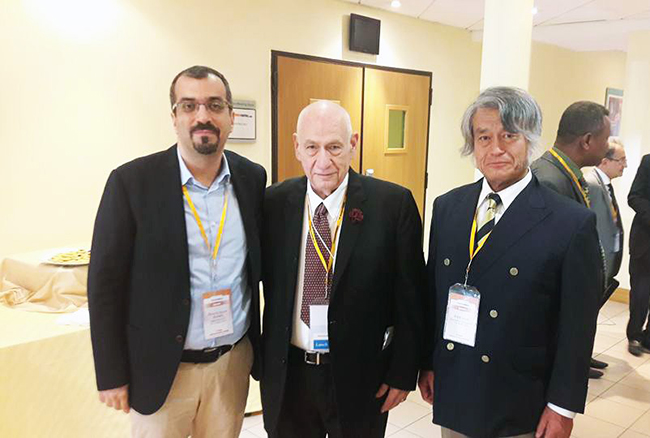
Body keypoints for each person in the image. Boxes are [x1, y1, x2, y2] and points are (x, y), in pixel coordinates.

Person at [87, 65, 266, 437]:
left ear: (231, 117)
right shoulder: (131, 183)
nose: (202, 116)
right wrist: (111, 373)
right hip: (161, 370)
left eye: (214, 105)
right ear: (174, 117)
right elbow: (104, 285)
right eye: (189, 106)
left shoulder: (252, 177)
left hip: (230, 366)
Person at [419, 87, 602, 438]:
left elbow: (577, 327)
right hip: (456, 385)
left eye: (509, 136)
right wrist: (429, 362)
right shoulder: (448, 207)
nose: (496, 149)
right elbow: (434, 295)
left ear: (530, 140)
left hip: (519, 398)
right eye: (484, 137)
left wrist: (562, 406)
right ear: (472, 145)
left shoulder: (570, 222)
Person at [260, 100, 426, 438]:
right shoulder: (273, 203)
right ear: (297, 147)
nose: (323, 161)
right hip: (289, 376)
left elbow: (411, 298)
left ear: (353, 144)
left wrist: (402, 372)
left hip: (360, 378)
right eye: (312, 147)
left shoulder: (392, 206)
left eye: (334, 147)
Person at [531, 100, 611, 378]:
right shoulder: (549, 180)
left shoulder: (566, 174)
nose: (607, 147)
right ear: (587, 141)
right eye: (605, 139)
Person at [585, 138, 626, 303]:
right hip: (594, 263)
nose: (625, 165)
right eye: (621, 160)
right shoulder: (591, 184)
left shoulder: (605, 184)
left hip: (606, 263)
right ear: (605, 161)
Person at [627, 153, 650, 356]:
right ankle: (634, 335)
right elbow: (634, 197)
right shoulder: (648, 162)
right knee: (640, 294)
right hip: (645, 243)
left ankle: (648, 338)